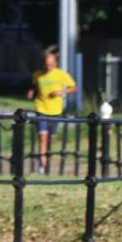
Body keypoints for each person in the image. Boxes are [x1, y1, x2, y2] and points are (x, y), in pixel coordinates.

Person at [25, 45, 76, 174]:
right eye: (46, 65)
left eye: (51, 65)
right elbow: (34, 86)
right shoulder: (37, 74)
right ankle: (42, 166)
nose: (48, 67)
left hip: (55, 111)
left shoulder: (61, 74)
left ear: (55, 63)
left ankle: (46, 159)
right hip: (41, 107)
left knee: (49, 139)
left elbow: (73, 87)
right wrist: (31, 92)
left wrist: (61, 91)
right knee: (42, 137)